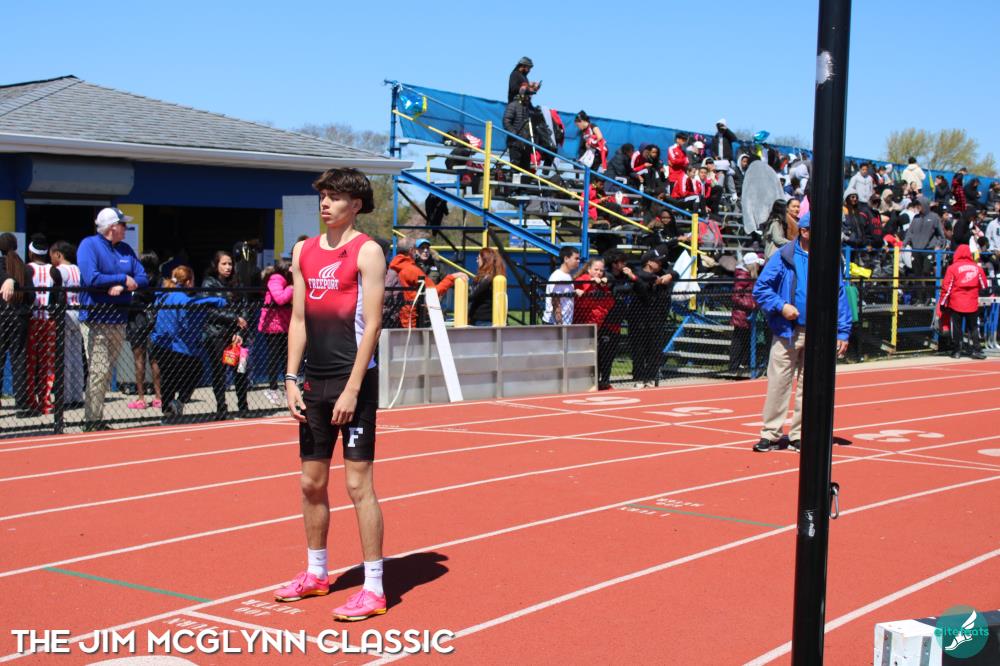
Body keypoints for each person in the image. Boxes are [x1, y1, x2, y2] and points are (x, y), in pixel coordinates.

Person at [275, 168, 388, 622]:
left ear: (356, 205)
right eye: (323, 195)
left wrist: (353, 389)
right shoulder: (303, 251)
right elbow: (299, 318)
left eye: (336, 196)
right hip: (313, 382)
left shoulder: (368, 251)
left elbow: (374, 325)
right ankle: (316, 573)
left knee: (358, 485)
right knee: (310, 483)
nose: (326, 203)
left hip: (353, 382)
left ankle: (374, 588)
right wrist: (290, 378)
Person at [751, 213, 852, 452]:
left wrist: (843, 331)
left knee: (811, 386)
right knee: (779, 382)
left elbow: (839, 294)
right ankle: (771, 433)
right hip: (788, 331)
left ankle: (800, 434)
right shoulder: (783, 256)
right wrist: (781, 306)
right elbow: (761, 288)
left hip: (819, 333)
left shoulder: (829, 258)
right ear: (805, 232)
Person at [78, 207, 148, 430]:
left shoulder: (125, 249)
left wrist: (123, 286)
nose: (126, 228)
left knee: (107, 371)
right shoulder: (89, 245)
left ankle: (96, 418)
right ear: (112, 227)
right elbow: (91, 277)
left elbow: (143, 277)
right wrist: (122, 279)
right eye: (123, 224)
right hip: (96, 319)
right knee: (99, 370)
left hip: (118, 318)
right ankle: (92, 420)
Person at [149, 266, 228, 421]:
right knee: (196, 369)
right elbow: (191, 305)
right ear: (188, 282)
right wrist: (216, 300)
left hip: (159, 343)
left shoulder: (164, 294)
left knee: (168, 376)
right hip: (174, 345)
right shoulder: (180, 297)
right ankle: (179, 402)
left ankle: (168, 410)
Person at [202, 251, 251, 419]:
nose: (228, 267)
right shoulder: (209, 283)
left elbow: (245, 307)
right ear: (216, 265)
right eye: (224, 264)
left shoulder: (237, 282)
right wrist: (234, 318)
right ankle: (221, 408)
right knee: (219, 372)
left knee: (241, 370)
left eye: (230, 263)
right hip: (217, 334)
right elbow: (210, 310)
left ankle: (243, 406)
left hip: (237, 336)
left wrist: (240, 332)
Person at [389, 238, 465, 328]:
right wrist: (451, 278)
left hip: (397, 317)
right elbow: (433, 292)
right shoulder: (412, 269)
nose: (425, 250)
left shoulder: (393, 266)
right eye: (421, 248)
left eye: (427, 248)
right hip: (412, 319)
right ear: (412, 250)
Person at [630, 248, 677, 388]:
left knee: (655, 349)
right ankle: (639, 378)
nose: (660, 264)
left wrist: (670, 275)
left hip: (657, 318)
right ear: (649, 262)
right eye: (657, 261)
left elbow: (676, 273)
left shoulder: (662, 272)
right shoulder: (638, 273)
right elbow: (641, 277)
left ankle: (650, 377)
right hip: (639, 318)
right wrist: (657, 280)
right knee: (639, 349)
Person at [49, 241, 85, 407]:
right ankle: (77, 396)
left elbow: (56, 294)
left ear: (58, 254)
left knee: (64, 356)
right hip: (79, 313)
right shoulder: (78, 269)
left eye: (52, 254)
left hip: (66, 314)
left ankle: (65, 397)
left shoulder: (60, 271)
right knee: (77, 355)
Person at [25, 235, 57, 414]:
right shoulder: (54, 270)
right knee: (47, 363)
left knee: (30, 362)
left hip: (32, 320)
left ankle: (31, 400)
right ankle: (45, 401)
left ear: (30, 253)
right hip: (49, 320)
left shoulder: (27, 269)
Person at [126, 252, 162, 410]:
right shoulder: (159, 279)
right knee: (155, 360)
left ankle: (141, 398)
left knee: (139, 359)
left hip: (137, 318)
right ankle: (159, 397)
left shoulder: (137, 279)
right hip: (155, 319)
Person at [573, 258, 615, 389]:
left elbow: (609, 303)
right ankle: (579, 381)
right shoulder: (583, 279)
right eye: (596, 269)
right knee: (581, 354)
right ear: (589, 269)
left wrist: (603, 286)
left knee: (593, 354)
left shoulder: (601, 284)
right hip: (581, 325)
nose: (599, 273)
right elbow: (582, 300)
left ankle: (593, 381)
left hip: (595, 326)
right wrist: (591, 283)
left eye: (601, 270)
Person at [939, 245, 988, 359]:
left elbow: (947, 288)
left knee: (957, 327)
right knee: (973, 327)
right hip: (972, 302)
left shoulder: (952, 268)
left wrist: (942, 302)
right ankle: (977, 350)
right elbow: (984, 285)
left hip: (956, 302)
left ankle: (957, 351)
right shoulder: (977, 268)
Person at [0, 233, 29, 414]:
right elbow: (31, 296)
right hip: (20, 316)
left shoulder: (0, 265)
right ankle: (22, 404)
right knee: (19, 358)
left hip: (2, 315)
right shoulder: (23, 267)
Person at [259, 258, 294, 405]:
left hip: (285, 325)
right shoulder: (275, 279)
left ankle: (288, 388)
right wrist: (292, 288)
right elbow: (280, 299)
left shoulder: (289, 281)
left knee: (287, 358)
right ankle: (272, 388)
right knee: (274, 357)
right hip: (272, 326)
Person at [729, 252, 765, 374]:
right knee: (738, 341)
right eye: (757, 264)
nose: (759, 267)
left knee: (744, 340)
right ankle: (734, 366)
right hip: (742, 314)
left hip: (746, 314)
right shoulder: (743, 276)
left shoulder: (747, 275)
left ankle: (742, 364)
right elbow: (736, 297)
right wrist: (751, 304)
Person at [542, 246, 581, 325]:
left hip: (564, 323)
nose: (578, 261)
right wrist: (559, 324)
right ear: (566, 259)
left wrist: (574, 292)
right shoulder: (558, 276)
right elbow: (555, 301)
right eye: (576, 258)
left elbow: (564, 294)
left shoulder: (567, 275)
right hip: (554, 324)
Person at [469, 247, 505, 326]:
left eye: (478, 258)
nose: (477, 261)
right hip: (488, 319)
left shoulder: (487, 278)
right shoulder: (496, 275)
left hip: (483, 320)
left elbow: (472, 294)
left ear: (485, 260)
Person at [502, 90, 535, 173]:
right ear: (522, 95)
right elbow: (506, 121)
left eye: (530, 96)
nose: (530, 97)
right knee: (515, 169)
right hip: (515, 143)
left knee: (526, 170)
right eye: (528, 95)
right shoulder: (513, 105)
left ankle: (523, 182)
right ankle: (514, 181)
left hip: (526, 144)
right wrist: (514, 133)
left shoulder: (529, 108)